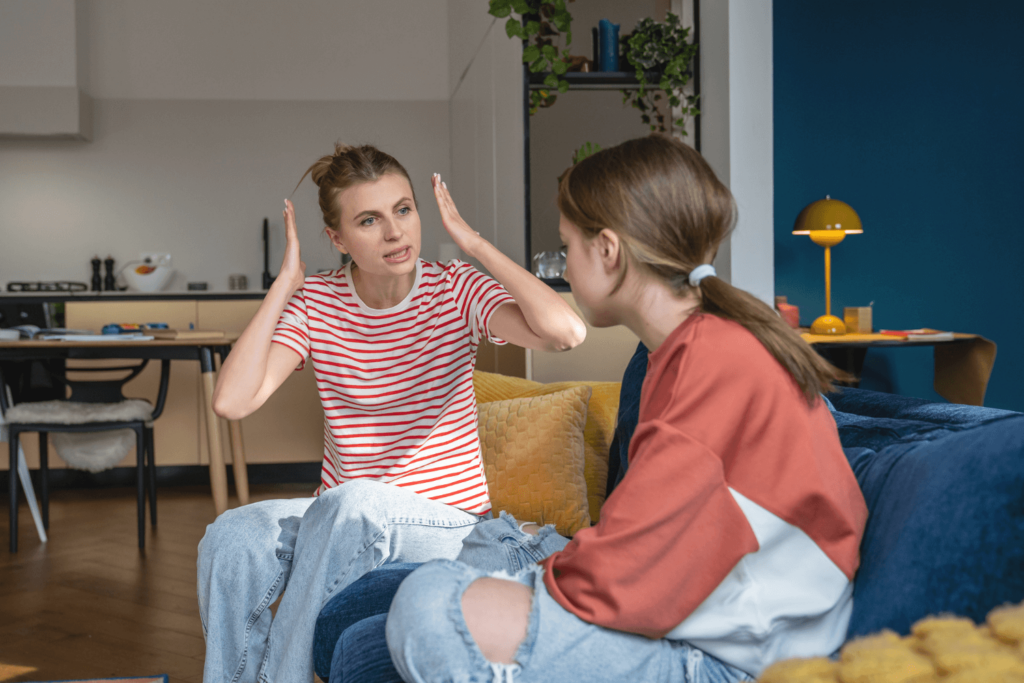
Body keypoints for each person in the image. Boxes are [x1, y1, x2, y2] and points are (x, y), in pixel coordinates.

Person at [384, 134, 869, 683]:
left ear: (608, 251)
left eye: (568, 246)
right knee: (492, 541)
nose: (564, 262)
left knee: (429, 602)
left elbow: (632, 569)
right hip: (700, 611)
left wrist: (533, 587)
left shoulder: (713, 362)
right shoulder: (689, 347)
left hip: (737, 656)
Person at [196, 143, 586, 683]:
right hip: (343, 517)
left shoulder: (455, 289)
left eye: (404, 210)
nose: (395, 232)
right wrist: (284, 287)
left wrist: (474, 243)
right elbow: (232, 401)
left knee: (354, 503)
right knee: (232, 534)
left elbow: (567, 333)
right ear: (337, 239)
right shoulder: (316, 303)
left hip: (444, 522)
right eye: (369, 220)